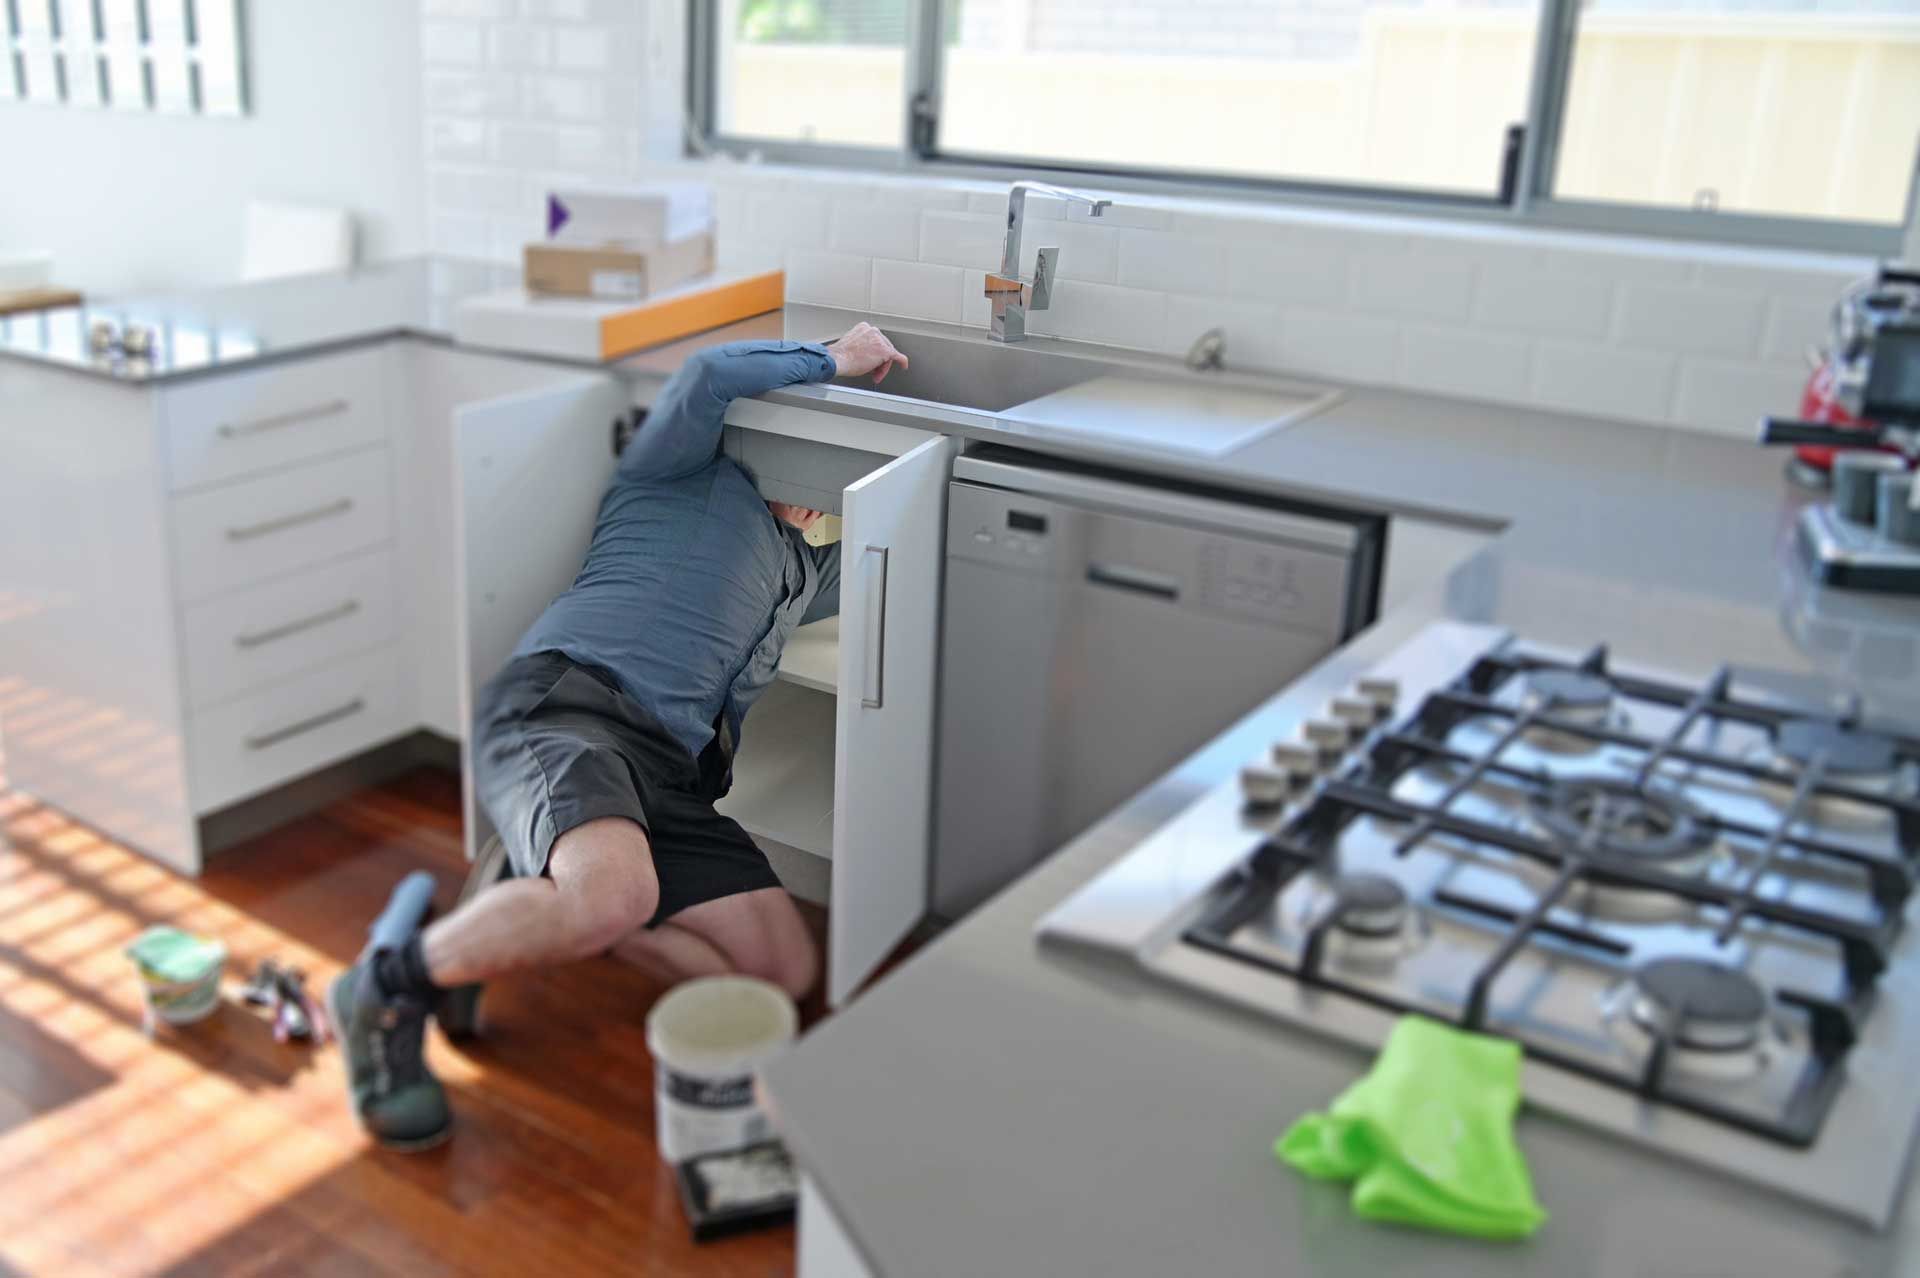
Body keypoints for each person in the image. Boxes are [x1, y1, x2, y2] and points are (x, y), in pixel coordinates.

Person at [329, 324, 912, 1149]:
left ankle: (519, 917)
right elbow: (709, 372)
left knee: (780, 975)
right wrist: (836, 358)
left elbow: (898, 542)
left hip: (670, 779)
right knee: (615, 898)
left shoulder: (803, 573)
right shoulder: (676, 472)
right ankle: (384, 985)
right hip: (569, 711)